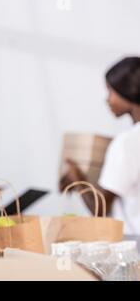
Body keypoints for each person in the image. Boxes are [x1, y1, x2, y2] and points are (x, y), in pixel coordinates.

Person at [60, 57, 140, 235]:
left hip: (133, 248)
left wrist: (76, 178)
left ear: (129, 91)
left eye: (111, 91)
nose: (107, 100)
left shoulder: (127, 142)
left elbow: (99, 208)